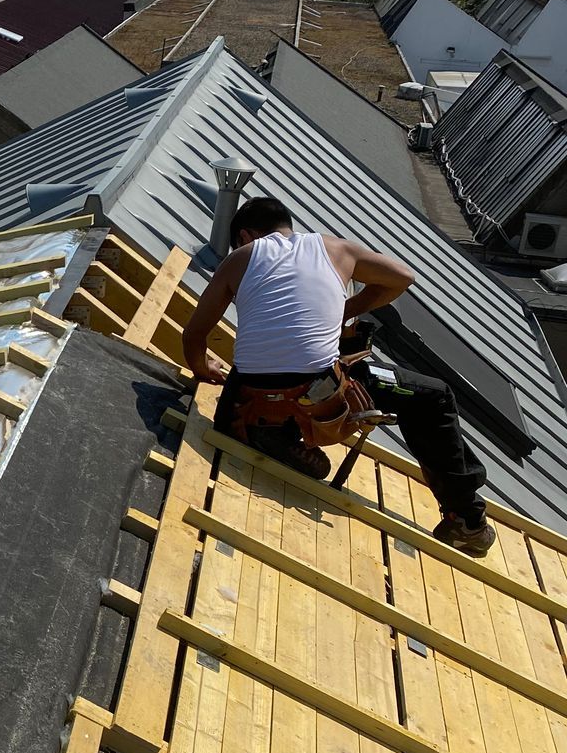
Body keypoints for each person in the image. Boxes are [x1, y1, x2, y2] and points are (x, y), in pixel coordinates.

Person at [181, 195, 495, 556]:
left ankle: (267, 431)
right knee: (435, 396)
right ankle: (467, 522)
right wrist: (347, 308)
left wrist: (202, 367)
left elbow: (194, 335)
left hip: (249, 393)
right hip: (320, 390)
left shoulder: (240, 258)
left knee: (263, 373)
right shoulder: (336, 249)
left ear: (247, 235)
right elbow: (403, 277)